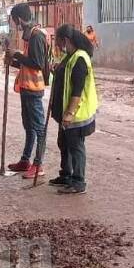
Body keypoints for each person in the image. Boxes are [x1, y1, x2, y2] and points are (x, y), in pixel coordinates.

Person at [50, 25, 99, 195]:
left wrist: (69, 113)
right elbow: (64, 74)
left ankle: (78, 181)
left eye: (59, 42)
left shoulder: (80, 59)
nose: (59, 46)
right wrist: (56, 69)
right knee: (64, 143)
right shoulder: (70, 56)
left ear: (66, 40)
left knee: (76, 147)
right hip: (67, 112)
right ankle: (66, 175)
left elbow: (77, 91)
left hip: (77, 114)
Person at [4, 3, 47, 180]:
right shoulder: (30, 36)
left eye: (15, 22)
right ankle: (25, 160)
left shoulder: (37, 36)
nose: (16, 26)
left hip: (34, 90)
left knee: (38, 128)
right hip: (26, 89)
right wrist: (12, 60)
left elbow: (37, 63)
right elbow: (27, 64)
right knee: (28, 127)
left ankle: (38, 164)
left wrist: (16, 54)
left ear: (19, 19)